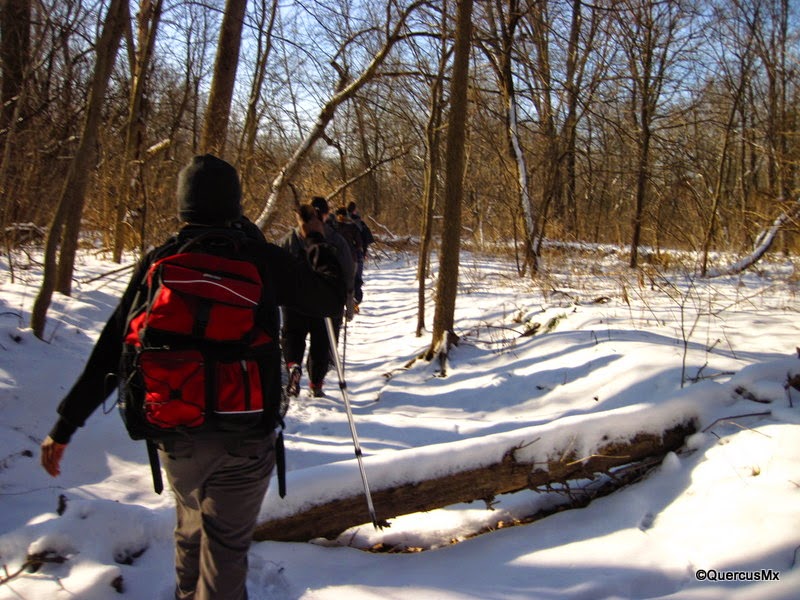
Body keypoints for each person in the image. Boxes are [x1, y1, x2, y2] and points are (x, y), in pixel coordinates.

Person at [40, 154, 345, 600]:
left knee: (190, 529)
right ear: (235, 204)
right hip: (245, 435)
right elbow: (329, 298)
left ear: (183, 208)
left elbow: (111, 351)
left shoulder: (160, 261)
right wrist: (316, 239)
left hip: (175, 429)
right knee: (224, 554)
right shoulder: (260, 258)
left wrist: (64, 426)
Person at [280, 197, 353, 398]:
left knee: (293, 336)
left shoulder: (289, 239)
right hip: (324, 301)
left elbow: (278, 268)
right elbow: (347, 270)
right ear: (326, 214)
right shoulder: (336, 240)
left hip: (293, 300)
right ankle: (316, 384)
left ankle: (293, 365)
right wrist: (348, 299)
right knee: (321, 344)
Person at [346, 201, 374, 310]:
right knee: (357, 280)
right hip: (357, 256)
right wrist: (364, 252)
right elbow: (365, 240)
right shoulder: (359, 223)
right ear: (354, 210)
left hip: (343, 256)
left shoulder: (339, 221)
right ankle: (355, 304)